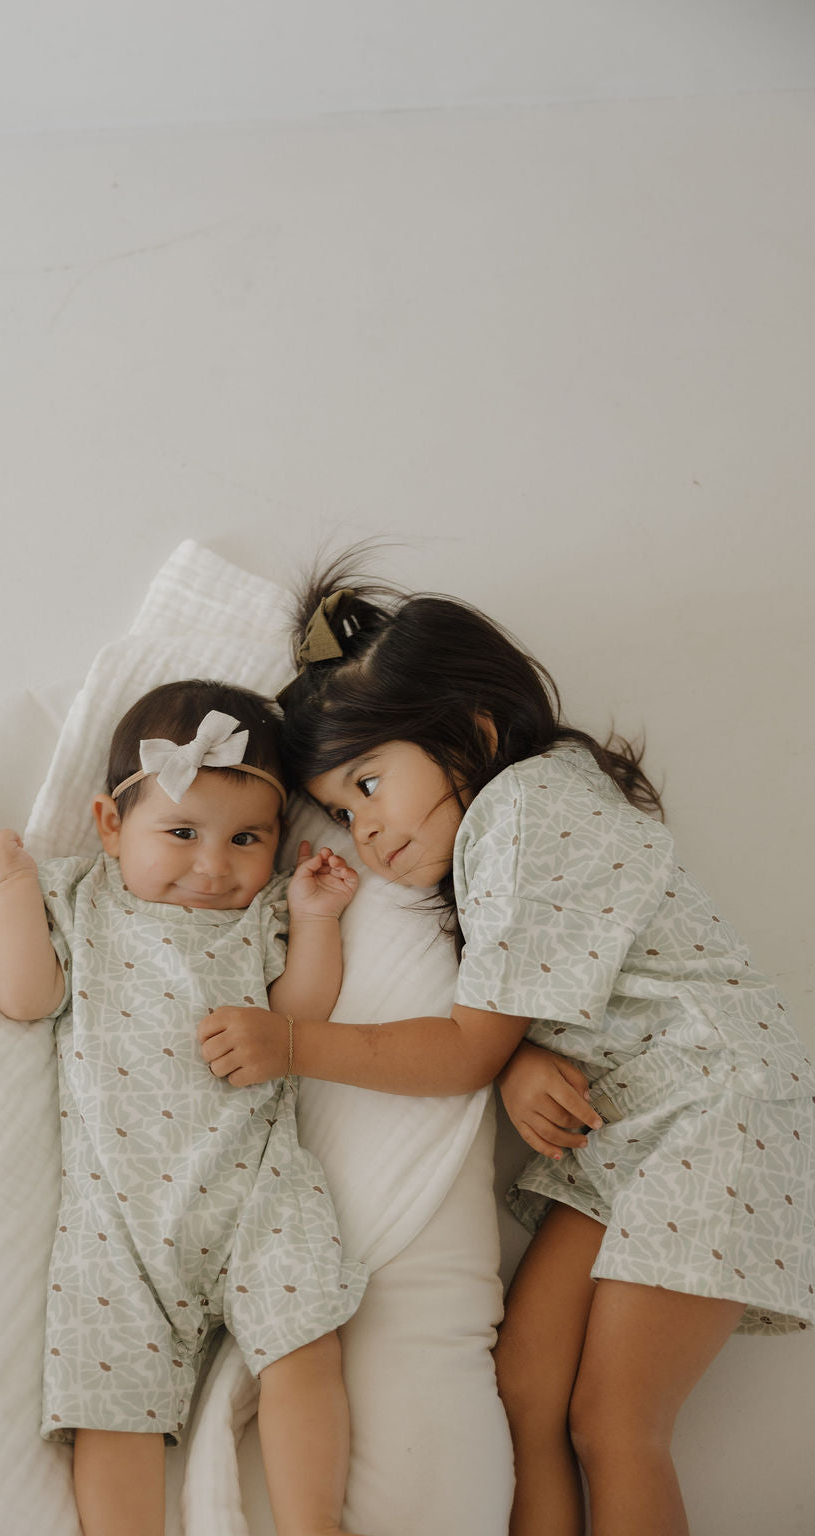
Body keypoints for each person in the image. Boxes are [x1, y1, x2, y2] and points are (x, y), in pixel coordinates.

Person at [198, 557, 815, 1536]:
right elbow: (515, 1015)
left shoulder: (528, 808)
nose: (366, 834)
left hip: (709, 1110)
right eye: (346, 813)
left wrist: (291, 1042)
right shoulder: (491, 841)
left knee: (614, 1423)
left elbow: (461, 1047)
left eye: (368, 785)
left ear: (470, 731)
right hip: (621, 1125)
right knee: (524, 1389)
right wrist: (520, 1057)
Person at [0, 678, 368, 1536]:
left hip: (258, 1184)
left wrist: (318, 918)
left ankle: (314, 1523)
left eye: (246, 839)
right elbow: (24, 993)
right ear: (111, 828)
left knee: (306, 1345)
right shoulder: (81, 901)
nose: (213, 864)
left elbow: (302, 1017)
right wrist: (11, 887)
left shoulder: (262, 912)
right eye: (182, 833)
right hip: (122, 1210)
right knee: (109, 1394)